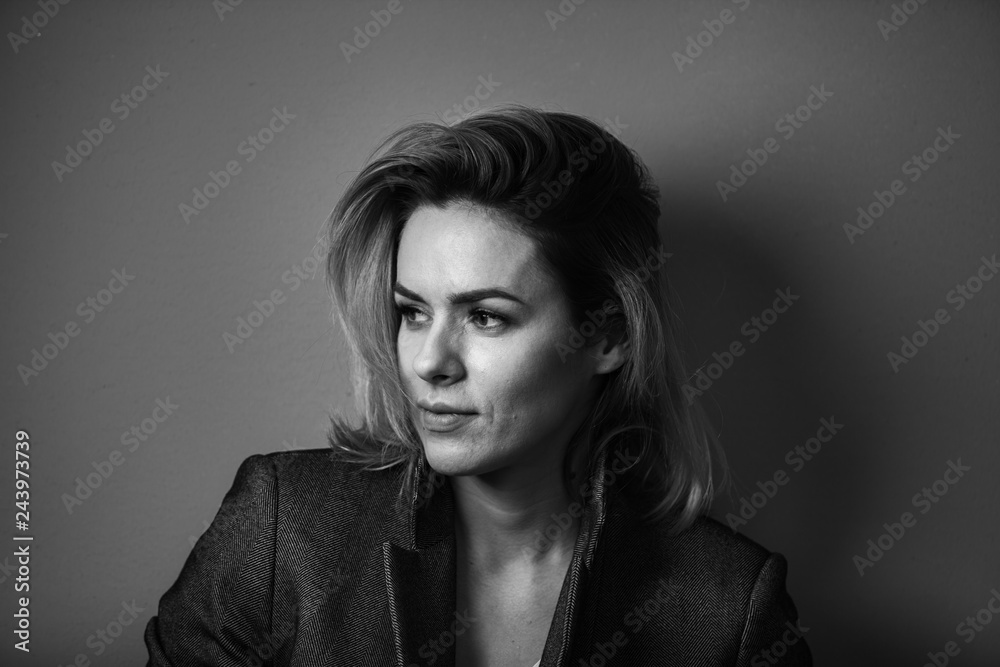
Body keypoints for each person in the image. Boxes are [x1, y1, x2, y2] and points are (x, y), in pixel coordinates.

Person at [145, 104, 812, 666]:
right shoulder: (281, 531)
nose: (429, 361)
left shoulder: (725, 606)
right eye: (412, 311)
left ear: (608, 336)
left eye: (485, 317)